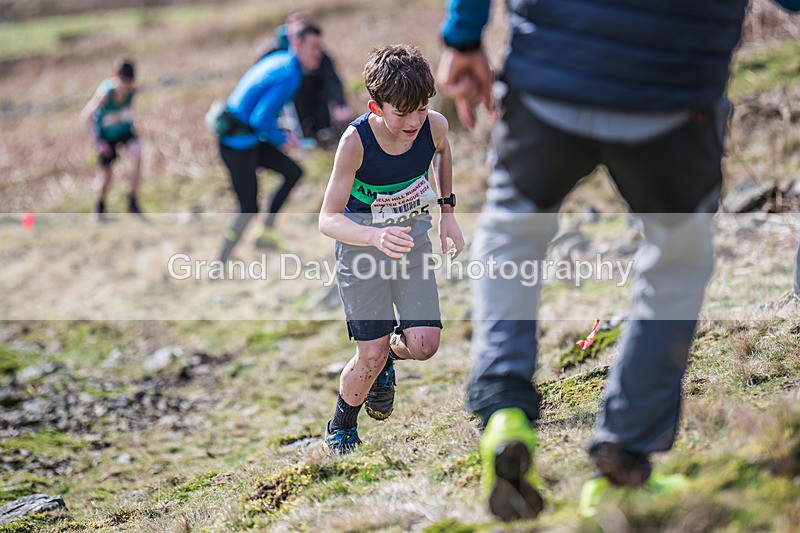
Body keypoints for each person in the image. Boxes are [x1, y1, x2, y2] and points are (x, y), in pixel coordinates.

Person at [438, 0, 800, 522]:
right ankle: (623, 460)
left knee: (512, 232)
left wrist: (464, 35)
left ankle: (504, 407)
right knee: (675, 261)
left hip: (549, 74)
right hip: (671, 92)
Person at [318, 44, 464, 454]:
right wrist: (373, 236)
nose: (414, 121)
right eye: (402, 112)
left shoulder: (433, 126)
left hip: (412, 243)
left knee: (424, 344)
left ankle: (389, 363)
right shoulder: (355, 142)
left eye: (420, 108)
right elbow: (327, 218)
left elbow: (442, 151)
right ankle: (340, 428)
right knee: (371, 352)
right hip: (362, 250)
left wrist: (447, 213)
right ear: (376, 106)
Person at [216, 23, 323, 263]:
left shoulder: (281, 59)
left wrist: (280, 132)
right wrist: (283, 140)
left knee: (293, 172)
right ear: (297, 44)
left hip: (249, 140)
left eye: (320, 48)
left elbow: (262, 113)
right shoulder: (289, 74)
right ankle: (219, 263)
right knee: (248, 208)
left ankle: (266, 232)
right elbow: (259, 118)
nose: (319, 53)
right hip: (236, 146)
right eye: (314, 47)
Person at [258, 12, 351, 144]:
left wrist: (340, 103)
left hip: (313, 97)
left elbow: (332, 79)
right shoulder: (273, 52)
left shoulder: (317, 53)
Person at [80, 58, 143, 219]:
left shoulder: (132, 89)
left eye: (128, 83)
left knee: (137, 154)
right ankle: (99, 206)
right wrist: (98, 142)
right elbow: (86, 116)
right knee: (106, 177)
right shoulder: (105, 94)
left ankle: (132, 201)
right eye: (123, 83)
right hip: (106, 136)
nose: (125, 88)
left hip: (124, 131)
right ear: (116, 78)